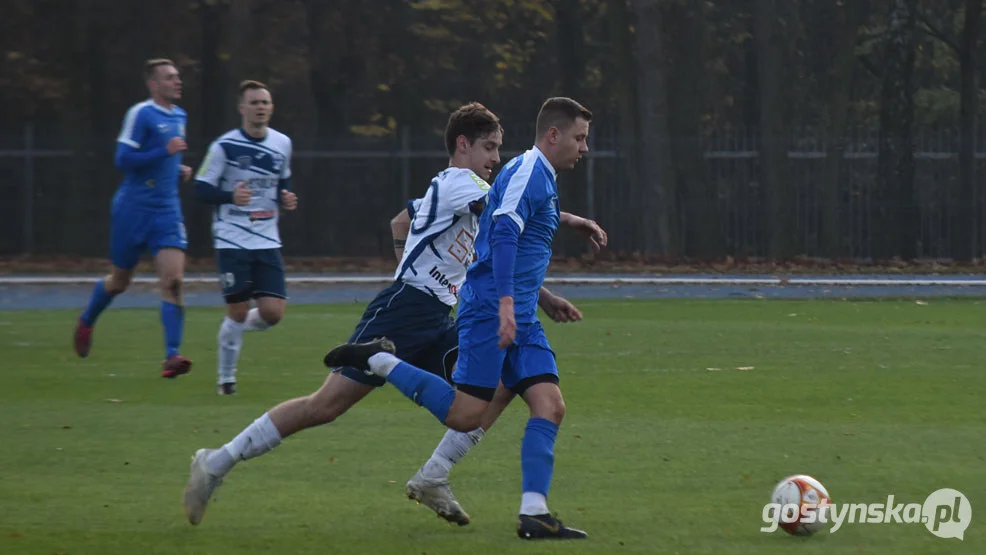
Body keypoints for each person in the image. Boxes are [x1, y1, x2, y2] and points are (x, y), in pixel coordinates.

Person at [181, 102, 603, 529]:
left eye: (498, 148)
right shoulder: (460, 183)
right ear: (463, 145)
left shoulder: (458, 189)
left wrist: (541, 295)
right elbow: (510, 214)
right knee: (324, 406)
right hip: (404, 310)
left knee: (499, 384)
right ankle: (216, 461)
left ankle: (433, 476)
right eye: (489, 147)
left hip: (437, 315)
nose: (496, 157)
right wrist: (407, 278)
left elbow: (403, 221)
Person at [323, 97, 596, 540]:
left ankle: (533, 514)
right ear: (553, 134)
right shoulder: (527, 170)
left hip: (518, 312)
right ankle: (379, 360)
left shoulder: (539, 175)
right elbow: (504, 230)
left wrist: (539, 291)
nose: (584, 148)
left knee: (549, 404)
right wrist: (507, 304)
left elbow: (501, 225)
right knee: (466, 415)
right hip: (492, 309)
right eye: (580, 138)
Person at [73, 58, 194, 378]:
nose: (177, 82)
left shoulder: (180, 115)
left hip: (166, 210)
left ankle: (171, 356)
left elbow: (168, 156)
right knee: (120, 281)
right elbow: (123, 159)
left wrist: (177, 168)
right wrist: (164, 153)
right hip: (133, 209)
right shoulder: (140, 113)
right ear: (153, 84)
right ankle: (86, 320)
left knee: (174, 280)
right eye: (169, 78)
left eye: (178, 77)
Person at [193, 80, 298, 396]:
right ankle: (226, 380)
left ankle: (231, 329)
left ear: (271, 108)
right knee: (238, 310)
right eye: (254, 102)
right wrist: (229, 196)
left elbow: (283, 182)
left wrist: (286, 198)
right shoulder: (224, 146)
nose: (260, 107)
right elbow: (201, 188)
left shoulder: (282, 143)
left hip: (267, 239)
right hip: (232, 238)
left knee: (273, 314)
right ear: (242, 108)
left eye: (265, 102)